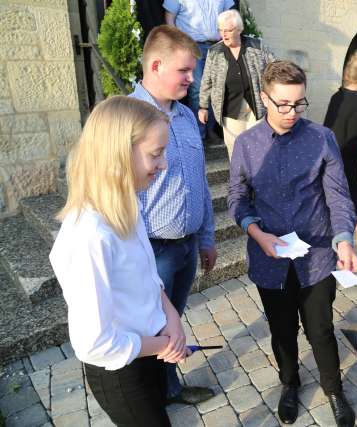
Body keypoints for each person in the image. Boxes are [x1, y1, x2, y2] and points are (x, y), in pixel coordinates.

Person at [228, 60, 357, 426]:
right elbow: (237, 199)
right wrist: (257, 233)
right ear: (264, 98)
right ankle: (290, 384)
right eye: (283, 104)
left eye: (299, 103)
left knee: (320, 329)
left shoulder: (322, 138)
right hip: (270, 258)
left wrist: (345, 238)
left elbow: (338, 196)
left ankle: (334, 390)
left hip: (317, 256)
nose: (291, 112)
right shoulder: (247, 144)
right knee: (282, 330)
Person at [49, 96, 189, 426]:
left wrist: (171, 317)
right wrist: (163, 343)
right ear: (118, 154)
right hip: (122, 373)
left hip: (148, 353)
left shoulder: (125, 204)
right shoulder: (90, 234)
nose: (164, 164)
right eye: (155, 153)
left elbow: (147, 277)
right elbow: (94, 344)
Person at [130, 25, 217, 405]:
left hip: (187, 245)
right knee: (152, 328)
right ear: (155, 65)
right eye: (184, 70)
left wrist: (208, 237)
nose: (191, 78)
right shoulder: (126, 119)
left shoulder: (184, 117)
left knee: (174, 322)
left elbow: (198, 180)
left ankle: (168, 389)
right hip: (153, 251)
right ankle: (145, 399)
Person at [324, 49, 357, 280]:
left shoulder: (338, 96)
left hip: (334, 171)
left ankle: (347, 263)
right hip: (355, 173)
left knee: (350, 222)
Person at [198, 9, 275, 158]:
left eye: (228, 30)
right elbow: (206, 80)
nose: (224, 34)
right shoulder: (215, 52)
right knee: (235, 149)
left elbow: (274, 67)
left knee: (258, 146)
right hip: (230, 108)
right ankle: (238, 180)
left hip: (256, 106)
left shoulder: (256, 46)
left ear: (239, 29)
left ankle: (258, 178)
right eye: (221, 30)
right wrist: (203, 106)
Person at [163, 0, 235, 140]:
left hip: (218, 46)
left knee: (217, 89)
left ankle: (211, 131)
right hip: (192, 47)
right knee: (197, 90)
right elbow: (169, 18)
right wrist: (179, 44)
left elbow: (230, 15)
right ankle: (198, 133)